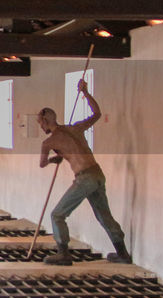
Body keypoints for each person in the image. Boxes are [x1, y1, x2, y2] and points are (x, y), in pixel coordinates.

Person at [37, 79, 131, 265]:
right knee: (104, 215)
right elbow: (97, 113)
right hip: (97, 174)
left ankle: (63, 253)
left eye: (40, 123)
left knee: (57, 214)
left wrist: (53, 159)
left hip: (84, 179)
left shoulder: (48, 142)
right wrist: (85, 92)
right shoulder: (75, 128)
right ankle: (122, 253)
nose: (41, 127)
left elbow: (42, 164)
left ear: (46, 121)